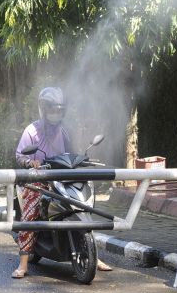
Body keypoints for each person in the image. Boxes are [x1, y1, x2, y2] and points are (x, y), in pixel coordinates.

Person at [12, 87, 112, 278]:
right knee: (31, 210)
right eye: (52, 110)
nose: (55, 114)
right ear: (43, 108)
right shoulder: (32, 130)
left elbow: (73, 152)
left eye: (59, 110)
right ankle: (23, 263)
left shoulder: (65, 130)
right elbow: (19, 155)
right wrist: (29, 162)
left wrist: (83, 158)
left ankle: (94, 256)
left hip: (63, 177)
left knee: (83, 205)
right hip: (38, 178)